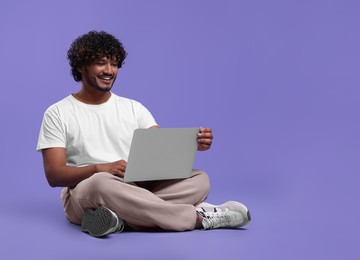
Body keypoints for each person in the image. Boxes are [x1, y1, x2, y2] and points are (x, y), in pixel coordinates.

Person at [37, 31, 251, 238]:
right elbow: (54, 175)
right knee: (101, 183)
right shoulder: (58, 113)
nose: (109, 70)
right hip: (87, 191)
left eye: (114, 63)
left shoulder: (134, 108)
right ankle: (198, 218)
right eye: (101, 63)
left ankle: (118, 219)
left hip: (134, 186)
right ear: (81, 67)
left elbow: (158, 149)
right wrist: (98, 168)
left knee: (200, 179)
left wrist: (192, 145)